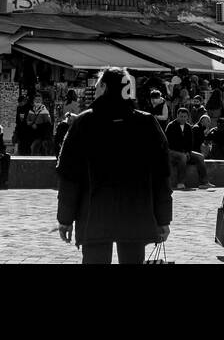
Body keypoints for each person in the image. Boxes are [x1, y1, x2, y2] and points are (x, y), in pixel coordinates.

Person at [56, 67, 171, 264]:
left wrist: (65, 218)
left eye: (99, 84)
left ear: (105, 87)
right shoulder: (146, 123)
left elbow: (69, 175)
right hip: (135, 212)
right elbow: (162, 174)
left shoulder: (84, 123)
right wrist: (163, 218)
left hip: (94, 213)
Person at [165, 107, 208, 190]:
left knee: (200, 157)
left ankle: (204, 182)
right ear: (177, 116)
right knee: (183, 157)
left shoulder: (188, 127)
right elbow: (169, 142)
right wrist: (183, 152)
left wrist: (188, 151)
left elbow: (190, 142)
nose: (183, 118)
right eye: (181, 116)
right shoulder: (171, 126)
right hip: (172, 151)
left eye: (185, 117)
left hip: (185, 151)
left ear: (187, 117)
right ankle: (181, 182)